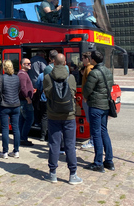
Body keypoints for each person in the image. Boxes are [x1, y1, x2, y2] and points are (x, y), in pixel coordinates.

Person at [43, 53, 83, 185]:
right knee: (70, 145)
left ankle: (52, 174)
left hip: (53, 115)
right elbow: (72, 93)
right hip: (69, 115)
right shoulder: (71, 77)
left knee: (54, 144)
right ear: (65, 63)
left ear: (54, 63)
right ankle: (72, 175)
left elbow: (47, 94)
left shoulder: (47, 77)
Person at [82, 50, 115, 173]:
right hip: (105, 105)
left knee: (96, 134)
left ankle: (98, 163)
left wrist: (86, 96)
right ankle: (109, 161)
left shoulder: (94, 73)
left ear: (93, 60)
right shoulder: (108, 71)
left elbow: (87, 89)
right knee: (104, 131)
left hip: (96, 106)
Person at [0, 60, 21, 159]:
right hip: (16, 105)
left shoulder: (2, 78)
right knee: (16, 128)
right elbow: (19, 89)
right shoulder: (17, 78)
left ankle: (5, 152)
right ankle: (16, 151)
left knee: (5, 129)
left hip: (5, 105)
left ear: (4, 68)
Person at [29, 51, 47, 130]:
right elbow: (45, 71)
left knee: (33, 105)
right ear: (42, 54)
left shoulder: (30, 60)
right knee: (39, 106)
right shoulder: (41, 61)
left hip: (31, 85)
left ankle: (34, 121)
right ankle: (38, 122)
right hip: (39, 85)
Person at [18, 58, 35, 146]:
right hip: (25, 101)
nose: (30, 65)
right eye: (28, 64)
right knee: (29, 119)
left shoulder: (24, 74)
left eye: (30, 63)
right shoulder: (22, 75)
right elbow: (23, 88)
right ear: (23, 64)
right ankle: (23, 138)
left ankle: (21, 138)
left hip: (23, 100)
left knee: (22, 120)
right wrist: (28, 98)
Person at [80, 51, 94, 149]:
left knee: (91, 120)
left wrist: (86, 97)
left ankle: (92, 140)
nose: (82, 60)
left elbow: (89, 85)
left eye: (83, 59)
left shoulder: (89, 69)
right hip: (90, 98)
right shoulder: (89, 68)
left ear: (87, 59)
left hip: (88, 99)